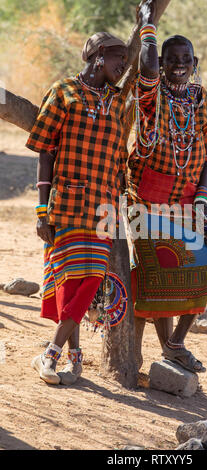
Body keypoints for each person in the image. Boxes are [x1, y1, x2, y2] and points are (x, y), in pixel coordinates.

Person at [126, 0, 207, 373]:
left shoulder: (200, 99)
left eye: (185, 58)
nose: (179, 64)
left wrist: (202, 195)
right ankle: (169, 348)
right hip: (148, 201)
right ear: (163, 62)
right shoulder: (150, 96)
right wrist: (147, 25)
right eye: (172, 58)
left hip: (189, 201)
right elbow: (148, 68)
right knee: (160, 274)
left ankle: (175, 343)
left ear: (194, 62)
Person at [26, 32, 129, 386]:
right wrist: (42, 211)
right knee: (71, 284)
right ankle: (68, 357)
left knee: (92, 279)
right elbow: (44, 152)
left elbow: (119, 161)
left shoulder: (117, 103)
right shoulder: (63, 92)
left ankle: (50, 354)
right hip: (66, 204)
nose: (123, 68)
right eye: (119, 60)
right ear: (100, 55)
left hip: (103, 209)